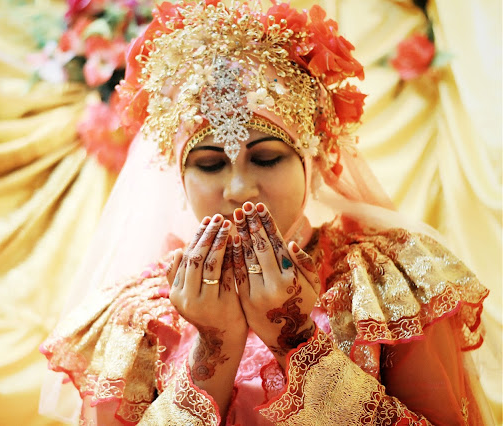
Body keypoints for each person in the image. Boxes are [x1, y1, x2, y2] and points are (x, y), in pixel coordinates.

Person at [39, 1, 492, 424]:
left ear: (313, 161)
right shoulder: (140, 315)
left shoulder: (387, 277)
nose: (239, 189)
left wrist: (294, 338)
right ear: (179, 178)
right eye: (210, 165)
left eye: (267, 158)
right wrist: (213, 350)